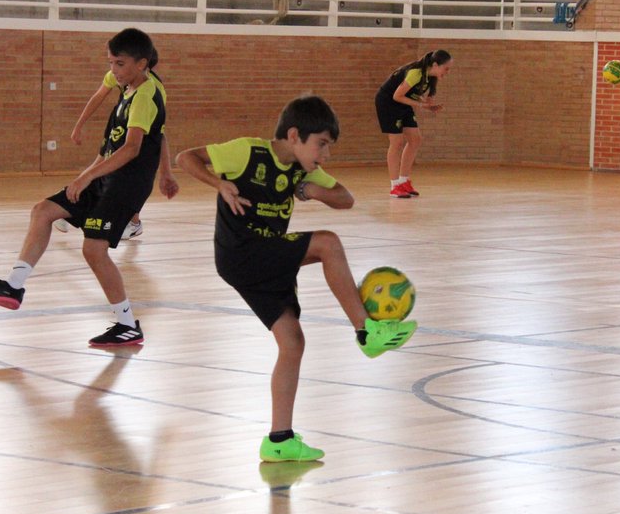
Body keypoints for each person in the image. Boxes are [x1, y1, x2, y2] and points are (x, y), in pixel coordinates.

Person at [176, 95, 418, 462]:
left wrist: (313, 190)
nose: (326, 154)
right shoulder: (247, 153)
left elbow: (346, 199)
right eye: (321, 144)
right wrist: (218, 184)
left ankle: (279, 439)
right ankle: (367, 331)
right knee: (328, 244)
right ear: (294, 135)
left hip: (262, 259)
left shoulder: (302, 169)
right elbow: (185, 158)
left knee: (292, 341)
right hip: (242, 251)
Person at [0, 28, 177, 348]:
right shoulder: (129, 88)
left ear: (142, 63)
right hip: (106, 174)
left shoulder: (146, 94)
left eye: (119, 64)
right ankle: (13, 285)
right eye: (110, 63)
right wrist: (92, 172)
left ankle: (127, 325)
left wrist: (89, 177)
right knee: (43, 211)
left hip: (126, 183)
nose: (113, 71)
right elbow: (149, 136)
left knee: (93, 249)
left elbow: (133, 148)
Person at [53, 78, 147, 240]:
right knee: (101, 163)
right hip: (119, 121)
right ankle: (70, 200)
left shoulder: (151, 87)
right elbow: (99, 95)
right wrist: (79, 125)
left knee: (127, 176)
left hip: (139, 131)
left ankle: (133, 222)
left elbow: (158, 121)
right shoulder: (117, 73)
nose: (115, 67)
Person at [375, 50, 451, 199]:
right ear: (435, 65)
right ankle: (395, 185)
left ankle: (404, 181)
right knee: (396, 142)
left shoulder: (431, 78)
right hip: (388, 102)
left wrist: (430, 106)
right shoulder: (416, 72)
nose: (448, 72)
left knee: (415, 139)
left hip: (403, 103)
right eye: (446, 68)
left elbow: (422, 98)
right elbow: (397, 95)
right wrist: (421, 105)